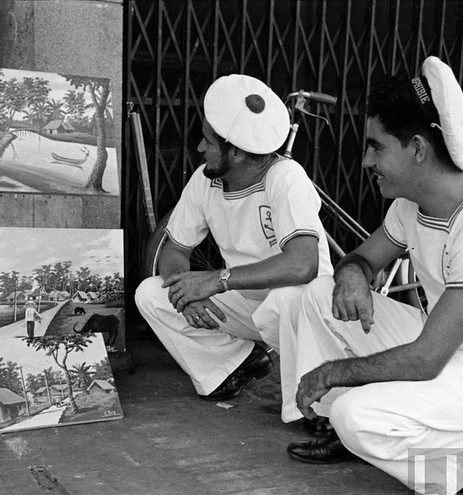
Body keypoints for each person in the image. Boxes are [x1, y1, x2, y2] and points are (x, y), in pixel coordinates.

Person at [287, 56, 463, 495]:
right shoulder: (410, 204)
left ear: (418, 149)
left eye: (376, 147)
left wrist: (334, 372)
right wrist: (353, 277)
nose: (366, 161)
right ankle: (340, 426)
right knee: (319, 294)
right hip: (444, 343)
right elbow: (362, 258)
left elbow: (426, 360)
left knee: (357, 416)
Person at [135, 74, 333, 410]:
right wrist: (184, 293)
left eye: (208, 142)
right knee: (151, 294)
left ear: (237, 152)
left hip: (303, 306)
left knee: (282, 300)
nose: (200, 148)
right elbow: (175, 249)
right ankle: (236, 365)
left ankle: (312, 405)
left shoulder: (285, 178)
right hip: (245, 301)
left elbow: (303, 265)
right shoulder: (204, 180)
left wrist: (216, 280)